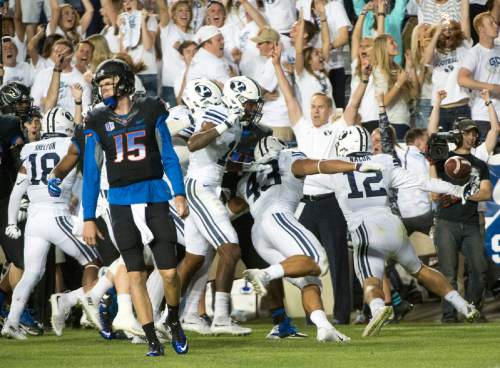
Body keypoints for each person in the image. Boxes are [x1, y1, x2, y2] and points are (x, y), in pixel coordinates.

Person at [329, 124, 481, 337]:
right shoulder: (382, 161)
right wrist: (456, 189)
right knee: (420, 269)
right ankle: (464, 305)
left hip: (365, 230)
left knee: (369, 278)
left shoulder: (334, 167)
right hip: (393, 225)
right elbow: (422, 182)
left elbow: (312, 186)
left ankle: (378, 309)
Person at [80, 59, 188, 356]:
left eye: (107, 83)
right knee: (136, 275)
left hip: (154, 195)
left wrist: (179, 192)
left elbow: (168, 155)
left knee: (168, 273)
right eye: (100, 85)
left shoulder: (151, 108)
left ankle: (174, 320)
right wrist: (89, 216)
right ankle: (152, 338)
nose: (103, 90)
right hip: (120, 202)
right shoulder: (97, 120)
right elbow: (91, 171)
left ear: (124, 82)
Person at [239, 137, 382, 341]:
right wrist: (355, 165)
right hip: (278, 217)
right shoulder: (286, 158)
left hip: (258, 234)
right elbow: (318, 166)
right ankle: (264, 275)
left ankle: (324, 328)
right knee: (316, 261)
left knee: (310, 280)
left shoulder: (247, 178)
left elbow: (233, 208)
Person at [272, 42, 370, 324]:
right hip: (305, 204)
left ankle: (341, 314)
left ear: (329, 110)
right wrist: (277, 66)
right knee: (302, 258)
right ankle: (311, 312)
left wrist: (363, 79)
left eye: (319, 107)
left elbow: (353, 105)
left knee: (338, 260)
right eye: (312, 107)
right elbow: (289, 98)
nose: (314, 111)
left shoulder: (337, 128)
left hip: (330, 204)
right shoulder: (301, 129)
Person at [1, 107, 101, 340]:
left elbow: (18, 189)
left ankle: (11, 322)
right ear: (66, 127)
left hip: (35, 218)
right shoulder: (69, 145)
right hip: (57, 214)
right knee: (92, 260)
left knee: (32, 273)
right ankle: (87, 308)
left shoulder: (29, 148)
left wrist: (11, 222)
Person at [178, 76, 262, 335]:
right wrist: (225, 122)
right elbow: (194, 144)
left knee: (196, 260)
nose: (253, 109)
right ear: (237, 99)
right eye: (250, 103)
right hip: (200, 187)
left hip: (208, 185)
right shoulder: (219, 111)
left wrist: (253, 165)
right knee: (231, 249)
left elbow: (218, 160)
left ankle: (177, 315)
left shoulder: (234, 120)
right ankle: (222, 317)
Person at [428, 90, 494, 322]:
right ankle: (448, 317)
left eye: (474, 133)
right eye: (468, 132)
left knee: (480, 269)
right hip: (446, 222)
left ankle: (474, 311)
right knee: (448, 273)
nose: (472, 136)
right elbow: (434, 192)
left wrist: (465, 192)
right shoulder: (442, 158)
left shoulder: (478, 163)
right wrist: (436, 103)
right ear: (458, 134)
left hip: (470, 223)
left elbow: (486, 193)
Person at [458, 11, 500, 141]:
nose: (496, 26)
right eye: (491, 23)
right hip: (483, 115)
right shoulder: (474, 53)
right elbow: (462, 79)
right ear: (481, 29)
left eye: (496, 22)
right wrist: (492, 87)